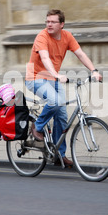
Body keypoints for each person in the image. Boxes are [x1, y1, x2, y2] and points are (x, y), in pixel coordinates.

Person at [25, 9, 102, 167]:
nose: (49, 24)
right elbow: (45, 58)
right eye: (47, 21)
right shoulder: (42, 36)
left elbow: (80, 54)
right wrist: (56, 74)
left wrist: (93, 70)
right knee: (56, 101)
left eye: (53, 22)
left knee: (61, 117)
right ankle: (37, 127)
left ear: (61, 24)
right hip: (35, 78)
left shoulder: (67, 36)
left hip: (52, 79)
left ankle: (59, 155)